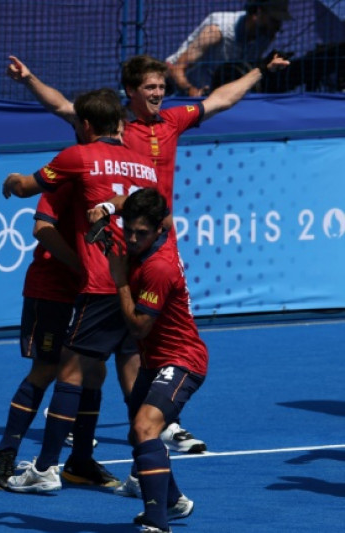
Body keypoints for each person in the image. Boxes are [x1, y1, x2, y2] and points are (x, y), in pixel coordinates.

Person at [5, 50, 287, 464]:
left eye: (161, 86)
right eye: (150, 87)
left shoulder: (173, 121)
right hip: (120, 253)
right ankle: (124, 432)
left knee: (149, 340)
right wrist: (29, 79)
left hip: (159, 248)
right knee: (121, 345)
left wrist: (260, 69)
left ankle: (152, 422)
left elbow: (223, 100)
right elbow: (64, 107)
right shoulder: (111, 132)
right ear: (130, 94)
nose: (158, 93)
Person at [0, 88, 160, 494]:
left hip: (99, 285)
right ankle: (147, 474)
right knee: (122, 376)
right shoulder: (146, 165)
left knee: (68, 371)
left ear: (85, 126)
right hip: (131, 286)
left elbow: (26, 188)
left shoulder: (76, 160)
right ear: (121, 125)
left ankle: (46, 467)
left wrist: (11, 182)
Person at [108, 188, 208, 533]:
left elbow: (138, 327)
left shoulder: (159, 267)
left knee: (144, 427)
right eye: (128, 230)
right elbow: (122, 207)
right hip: (155, 361)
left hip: (182, 359)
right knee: (139, 436)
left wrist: (119, 280)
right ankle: (174, 501)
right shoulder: (140, 241)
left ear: (160, 229)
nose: (133, 239)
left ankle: (156, 523)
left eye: (141, 233)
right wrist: (104, 209)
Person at [0, 183, 83, 490]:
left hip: (91, 292)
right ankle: (7, 449)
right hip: (52, 288)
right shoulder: (68, 173)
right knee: (46, 369)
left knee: (91, 370)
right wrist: (82, 267)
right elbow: (42, 228)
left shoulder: (115, 174)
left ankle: (78, 460)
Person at [166, 0, 292, 96]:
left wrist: (266, 66)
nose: (278, 26)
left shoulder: (265, 35)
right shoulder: (216, 31)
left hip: (210, 93)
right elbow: (177, 68)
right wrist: (191, 91)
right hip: (172, 87)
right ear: (258, 12)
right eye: (274, 20)